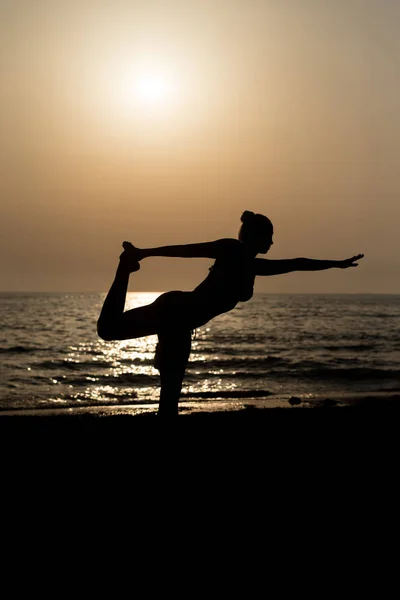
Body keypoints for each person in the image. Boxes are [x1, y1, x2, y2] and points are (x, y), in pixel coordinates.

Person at [97, 210, 364, 417]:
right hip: (176, 312)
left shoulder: (252, 266)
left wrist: (335, 264)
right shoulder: (230, 249)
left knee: (171, 383)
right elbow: (188, 250)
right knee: (110, 331)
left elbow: (296, 264)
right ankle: (125, 267)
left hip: (182, 319)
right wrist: (144, 253)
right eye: (269, 235)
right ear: (256, 236)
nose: (272, 241)